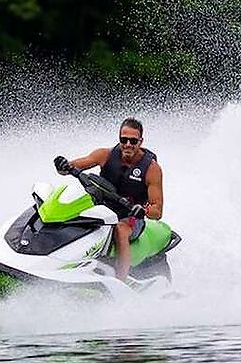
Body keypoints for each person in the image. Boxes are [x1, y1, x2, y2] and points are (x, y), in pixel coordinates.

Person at [53, 117, 164, 283]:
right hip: (102, 211)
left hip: (130, 217)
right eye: (123, 139)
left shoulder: (151, 169)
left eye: (133, 141)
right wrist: (62, 165)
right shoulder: (104, 155)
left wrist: (144, 210)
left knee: (120, 229)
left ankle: (120, 280)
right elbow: (72, 167)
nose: (128, 144)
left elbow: (158, 211)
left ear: (140, 141)